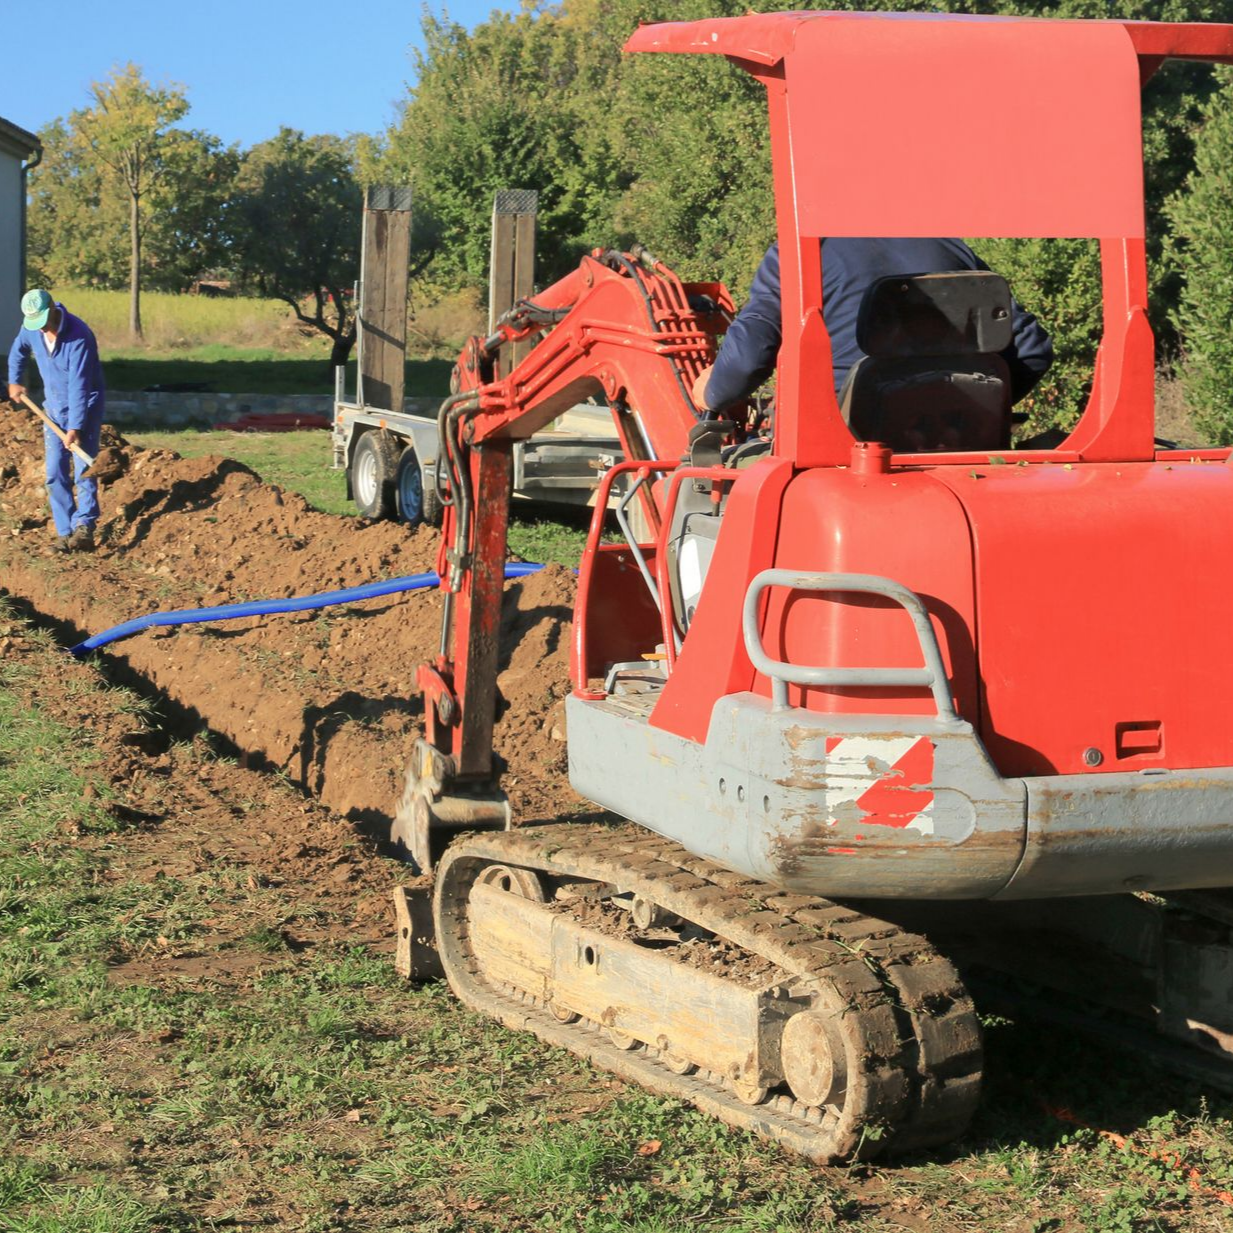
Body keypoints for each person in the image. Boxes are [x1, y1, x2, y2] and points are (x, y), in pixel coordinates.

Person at [693, 238, 1053, 415]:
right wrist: (972, 409)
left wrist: (712, 391)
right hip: (960, 443)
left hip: (843, 449)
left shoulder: (802, 254)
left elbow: (747, 358)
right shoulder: (950, 246)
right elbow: (1031, 348)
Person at [6, 288, 106, 552]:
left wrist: (75, 427)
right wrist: (15, 381)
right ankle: (65, 532)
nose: (39, 330)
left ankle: (84, 527)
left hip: (85, 405)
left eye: (42, 322)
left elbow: (79, 385)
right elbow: (18, 351)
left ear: (51, 309)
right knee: (54, 472)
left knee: (84, 467)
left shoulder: (78, 336)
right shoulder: (32, 329)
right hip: (52, 408)